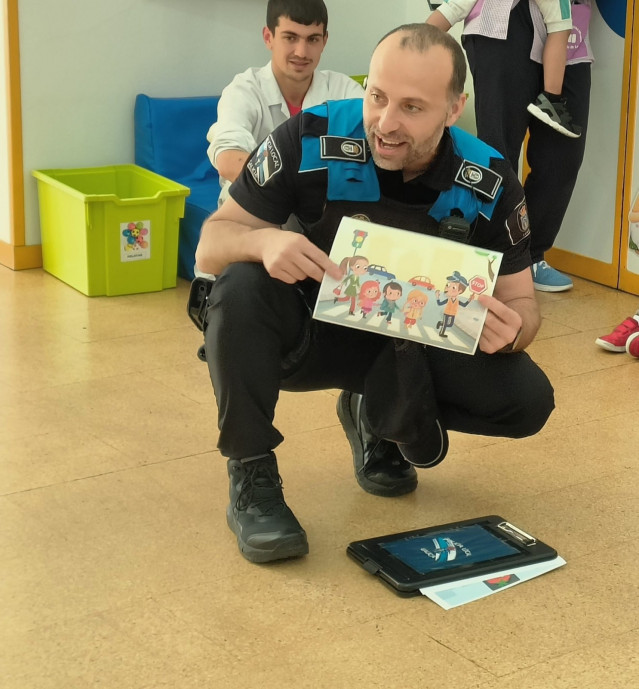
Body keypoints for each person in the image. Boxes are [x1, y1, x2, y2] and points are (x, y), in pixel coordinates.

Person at [195, 23, 555, 564]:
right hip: (310, 335)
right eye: (377, 96)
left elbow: (524, 303)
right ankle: (252, 476)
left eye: (412, 108)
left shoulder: (488, 178)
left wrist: (512, 330)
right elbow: (211, 244)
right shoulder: (306, 138)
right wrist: (266, 240)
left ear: (454, 109)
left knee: (527, 401)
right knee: (239, 285)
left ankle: (380, 415)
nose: (385, 124)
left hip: (409, 347)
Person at [426, 1, 593, 293]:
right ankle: (489, 255)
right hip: (501, 24)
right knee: (498, 152)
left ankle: (529, 255)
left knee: (563, 157)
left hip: (570, 32)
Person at [206, 0, 364, 207]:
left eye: (312, 39)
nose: (301, 52)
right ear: (268, 37)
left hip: (326, 208)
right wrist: (296, 189)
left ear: (324, 41)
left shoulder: (344, 90)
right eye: (290, 37)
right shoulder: (244, 89)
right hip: (260, 205)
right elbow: (228, 159)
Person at [428, 0, 581, 138]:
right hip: (500, 33)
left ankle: (412, 45)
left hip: (492, 34)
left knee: (454, 6)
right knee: (560, 24)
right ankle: (551, 100)